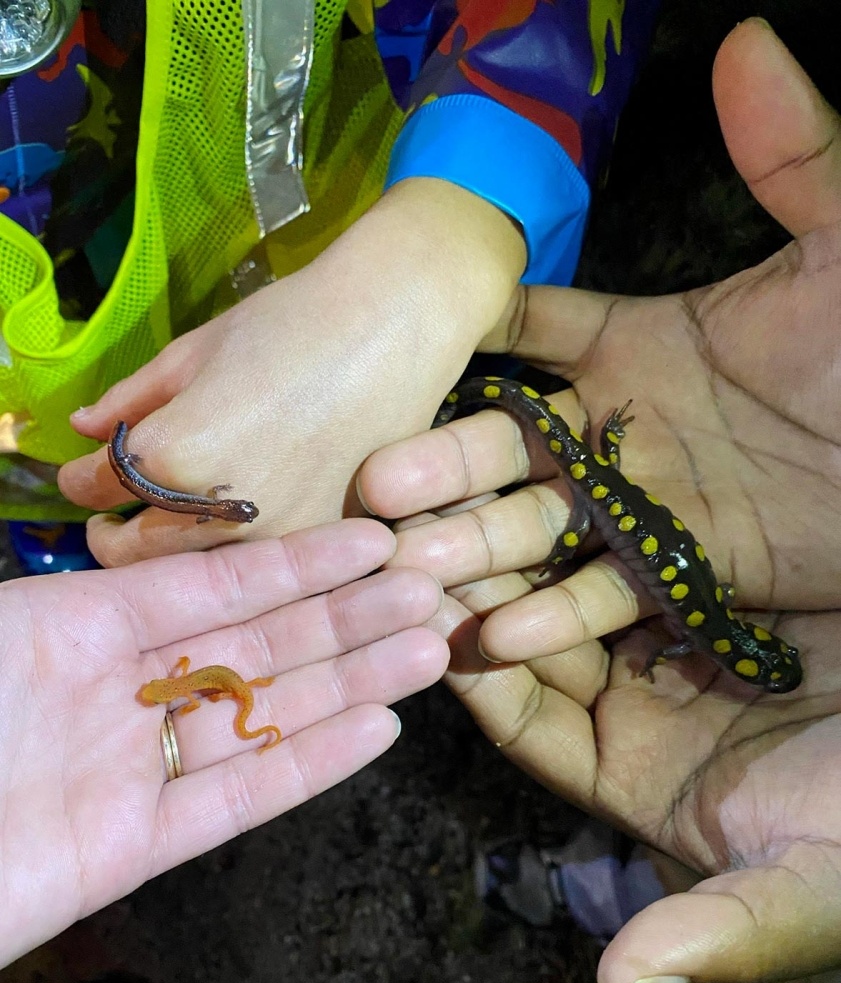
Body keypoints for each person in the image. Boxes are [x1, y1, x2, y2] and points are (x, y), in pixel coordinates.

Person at [355, 17, 841, 983]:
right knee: (575, 472)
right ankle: (495, 398)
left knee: (583, 487)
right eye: (759, 662)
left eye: (760, 664)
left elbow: (677, 627)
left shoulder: (711, 623)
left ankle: (501, 404)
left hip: (612, 507)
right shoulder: (705, 633)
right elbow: (675, 632)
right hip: (606, 502)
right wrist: (669, 636)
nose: (758, 664)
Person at [0, 0, 660, 572]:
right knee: (53, 459)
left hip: (308, 241)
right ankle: (49, 521)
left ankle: (86, 515)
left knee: (134, 449)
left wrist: (445, 240)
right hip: (45, 343)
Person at [0, 517, 449, 969]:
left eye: (157, 693)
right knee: (242, 698)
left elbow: (190, 685)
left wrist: (203, 701)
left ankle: (260, 721)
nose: (156, 693)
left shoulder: (184, 692)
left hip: (235, 685)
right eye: (157, 693)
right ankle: (259, 712)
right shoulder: (177, 686)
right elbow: (186, 673)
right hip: (235, 682)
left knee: (245, 708)